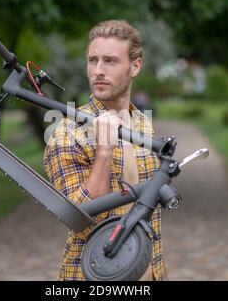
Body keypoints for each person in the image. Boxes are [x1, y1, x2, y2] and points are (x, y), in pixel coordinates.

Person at [43, 20, 168, 281]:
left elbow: (149, 212)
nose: (98, 70)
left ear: (135, 66)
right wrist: (104, 151)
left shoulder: (142, 123)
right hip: (91, 276)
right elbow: (78, 218)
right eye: (93, 60)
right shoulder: (68, 133)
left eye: (110, 61)